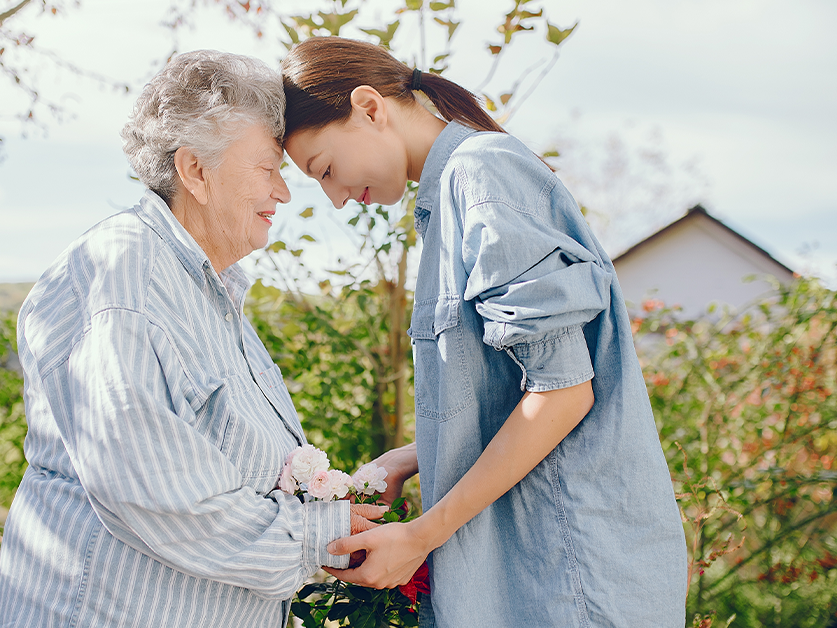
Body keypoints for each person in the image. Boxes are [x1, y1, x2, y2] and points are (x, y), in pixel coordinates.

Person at [280, 37, 688, 627]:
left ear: (369, 108)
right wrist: (410, 458)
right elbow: (515, 393)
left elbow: (563, 393)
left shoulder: (482, 174)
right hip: (536, 576)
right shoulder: (447, 200)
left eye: (325, 169)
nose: (337, 198)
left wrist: (421, 535)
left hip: (570, 577)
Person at [0, 50, 383, 628]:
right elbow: (152, 487)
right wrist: (320, 537)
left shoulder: (204, 289)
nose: (284, 192)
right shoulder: (126, 275)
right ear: (195, 171)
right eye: (267, 169)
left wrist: (347, 500)